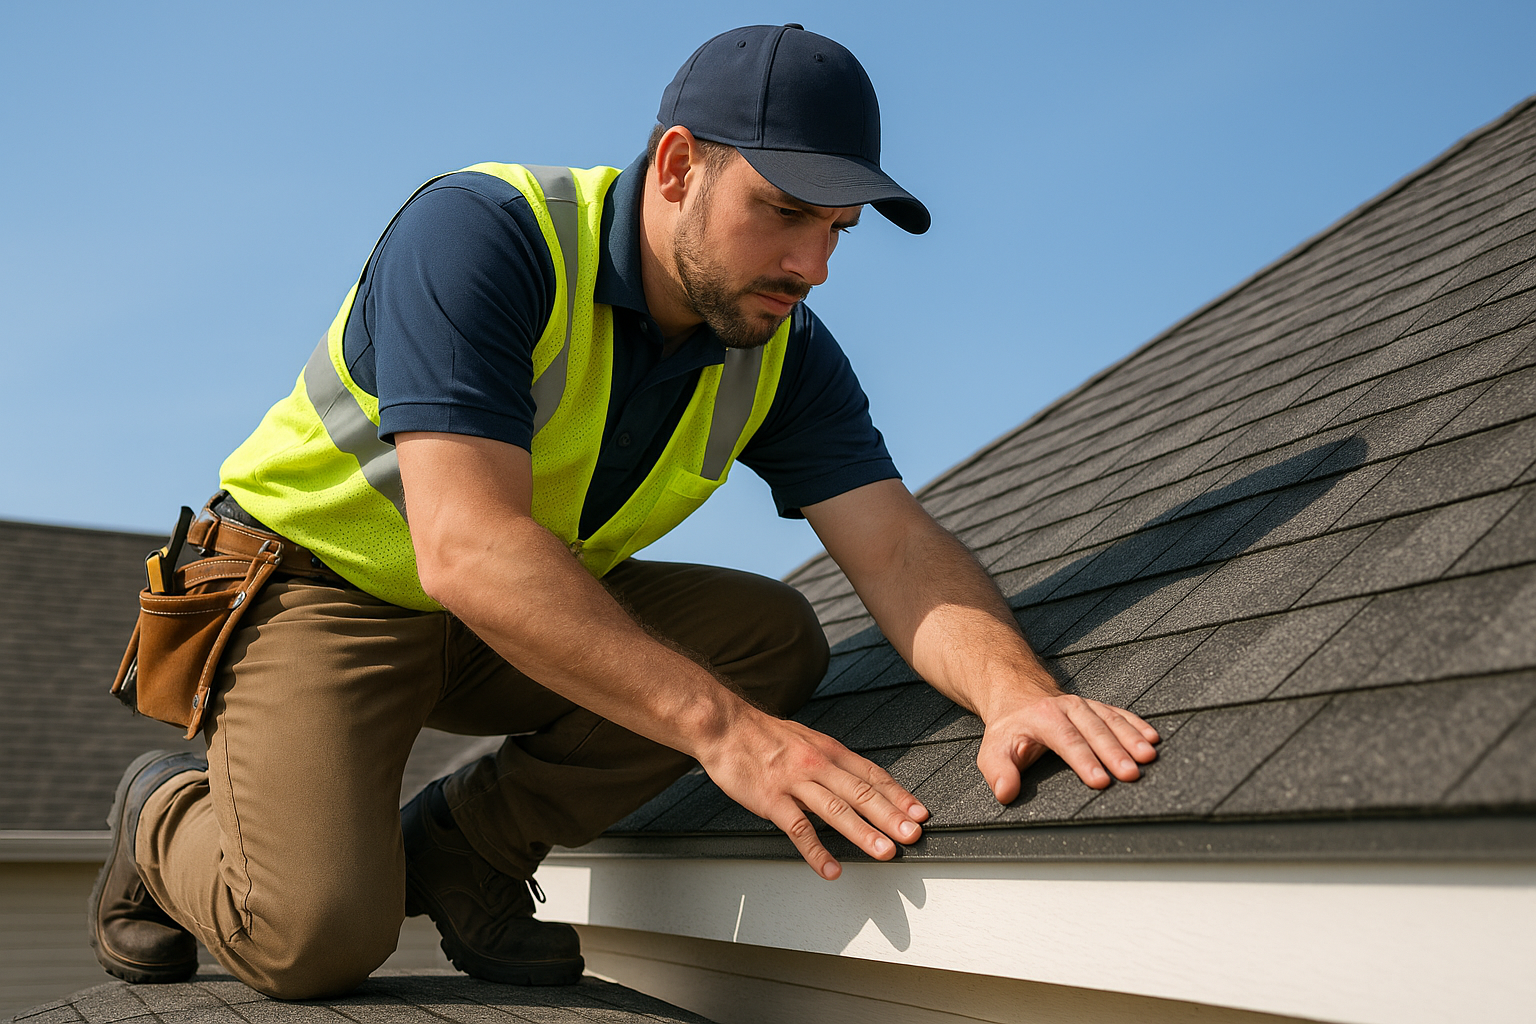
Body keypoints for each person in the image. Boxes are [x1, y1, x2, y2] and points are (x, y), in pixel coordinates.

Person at [90, 24, 1160, 1001]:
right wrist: (727, 735)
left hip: (494, 611)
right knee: (315, 939)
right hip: (320, 589)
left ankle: (467, 851)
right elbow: (466, 547)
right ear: (680, 165)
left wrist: (1016, 692)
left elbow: (892, 541)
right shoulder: (482, 236)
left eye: (838, 229)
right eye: (783, 213)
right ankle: (156, 815)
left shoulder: (779, 346)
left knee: (768, 639)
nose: (814, 265)